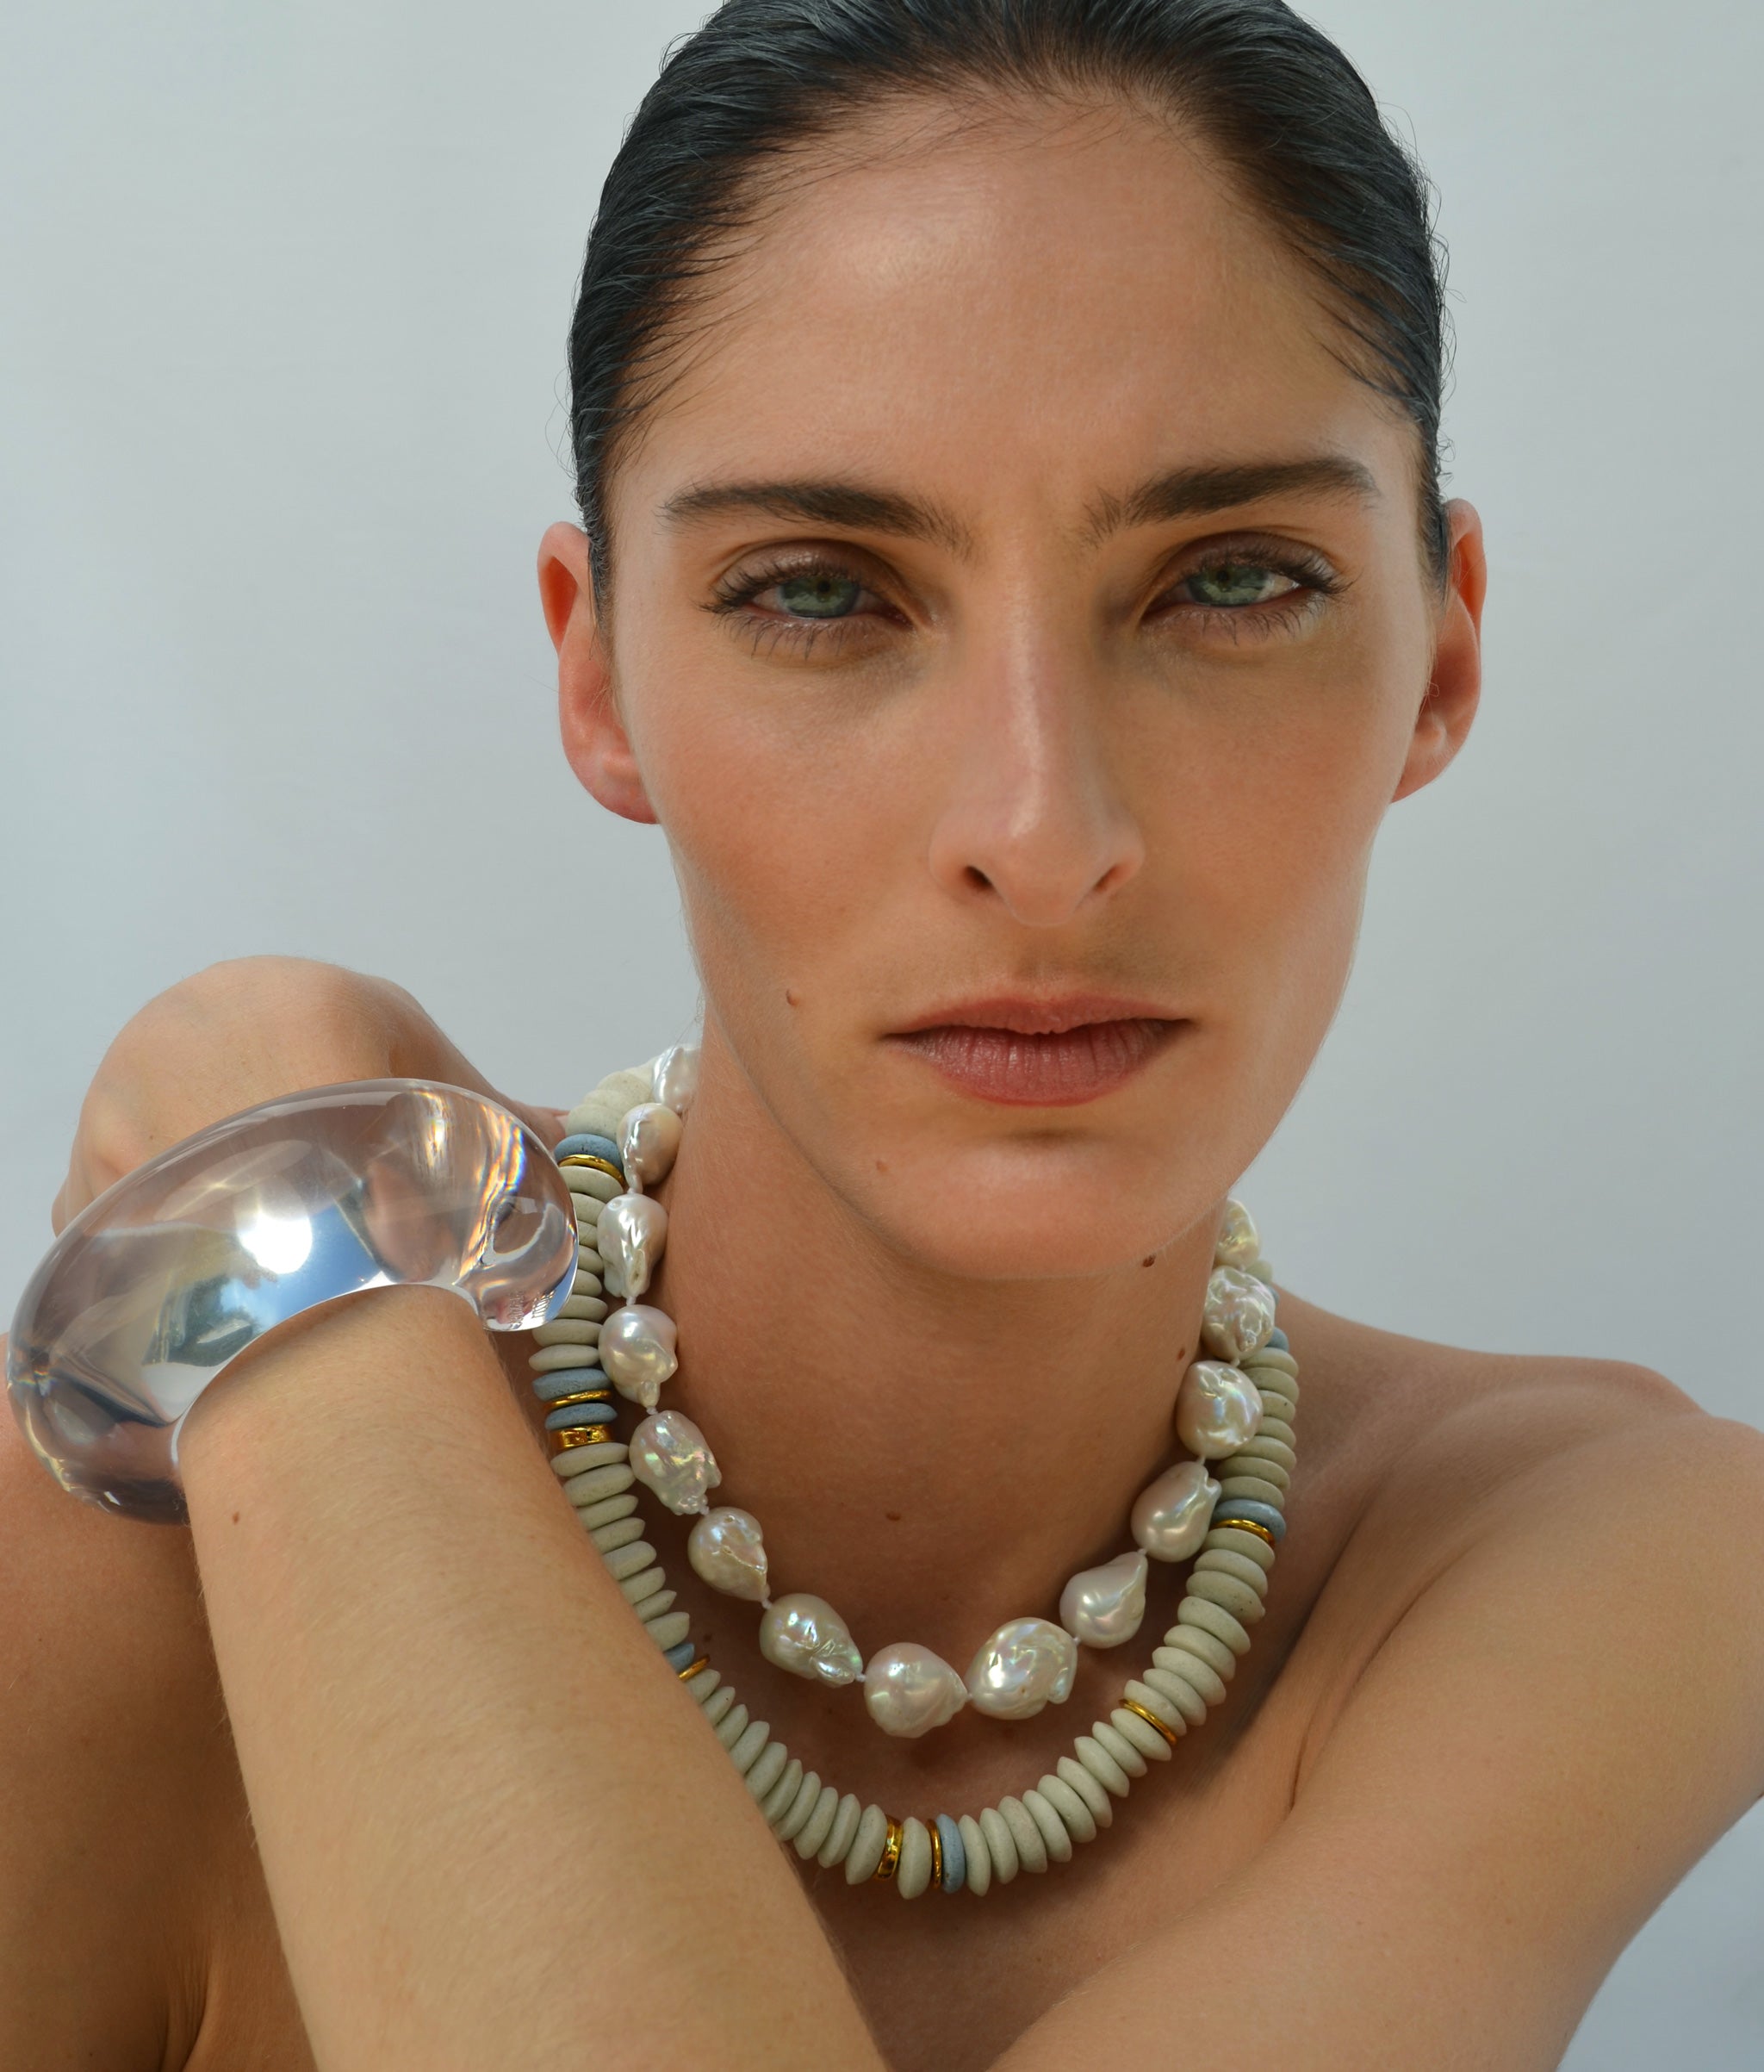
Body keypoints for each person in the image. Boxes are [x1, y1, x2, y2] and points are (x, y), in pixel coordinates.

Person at [3, 1, 1761, 2066]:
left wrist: (273, 1164)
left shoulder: (1591, 1553)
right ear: (597, 681)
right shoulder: (126, 1547)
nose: (1041, 836)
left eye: (1233, 582)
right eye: (822, 593)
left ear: (1440, 656)